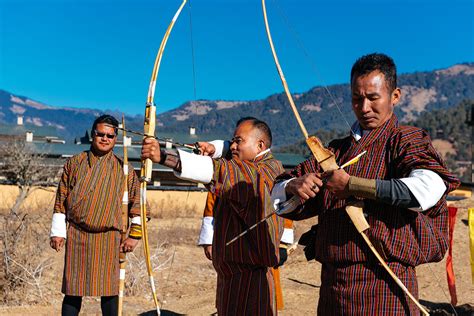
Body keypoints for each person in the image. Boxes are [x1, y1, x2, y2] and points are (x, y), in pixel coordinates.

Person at [271, 53, 460, 315]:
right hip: (333, 288)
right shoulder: (335, 152)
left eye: (373, 98)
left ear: (395, 96)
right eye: (357, 99)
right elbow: (278, 194)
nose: (364, 107)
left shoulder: (407, 141)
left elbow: (427, 190)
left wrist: (353, 186)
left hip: (386, 287)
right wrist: (295, 185)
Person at [142, 117, 285, 315]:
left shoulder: (265, 171)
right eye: (232, 142)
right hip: (232, 276)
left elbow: (223, 171)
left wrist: (165, 157)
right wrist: (216, 148)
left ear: (260, 145)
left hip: (250, 279)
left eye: (238, 141)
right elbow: (230, 157)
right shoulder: (249, 162)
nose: (233, 146)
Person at [50, 114, 142, 316]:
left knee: (109, 292)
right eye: (100, 134)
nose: (105, 139)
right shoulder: (75, 163)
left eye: (110, 135)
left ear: (116, 138)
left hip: (110, 238)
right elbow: (61, 199)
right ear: (93, 135)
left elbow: (138, 204)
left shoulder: (124, 169)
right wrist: (58, 232)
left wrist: (134, 235)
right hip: (77, 235)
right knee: (73, 291)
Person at [198, 190, 294, 311]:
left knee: (265, 296)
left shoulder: (273, 172)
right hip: (230, 242)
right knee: (231, 295)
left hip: (266, 240)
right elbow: (211, 204)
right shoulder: (224, 172)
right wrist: (208, 241)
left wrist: (283, 243)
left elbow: (284, 204)